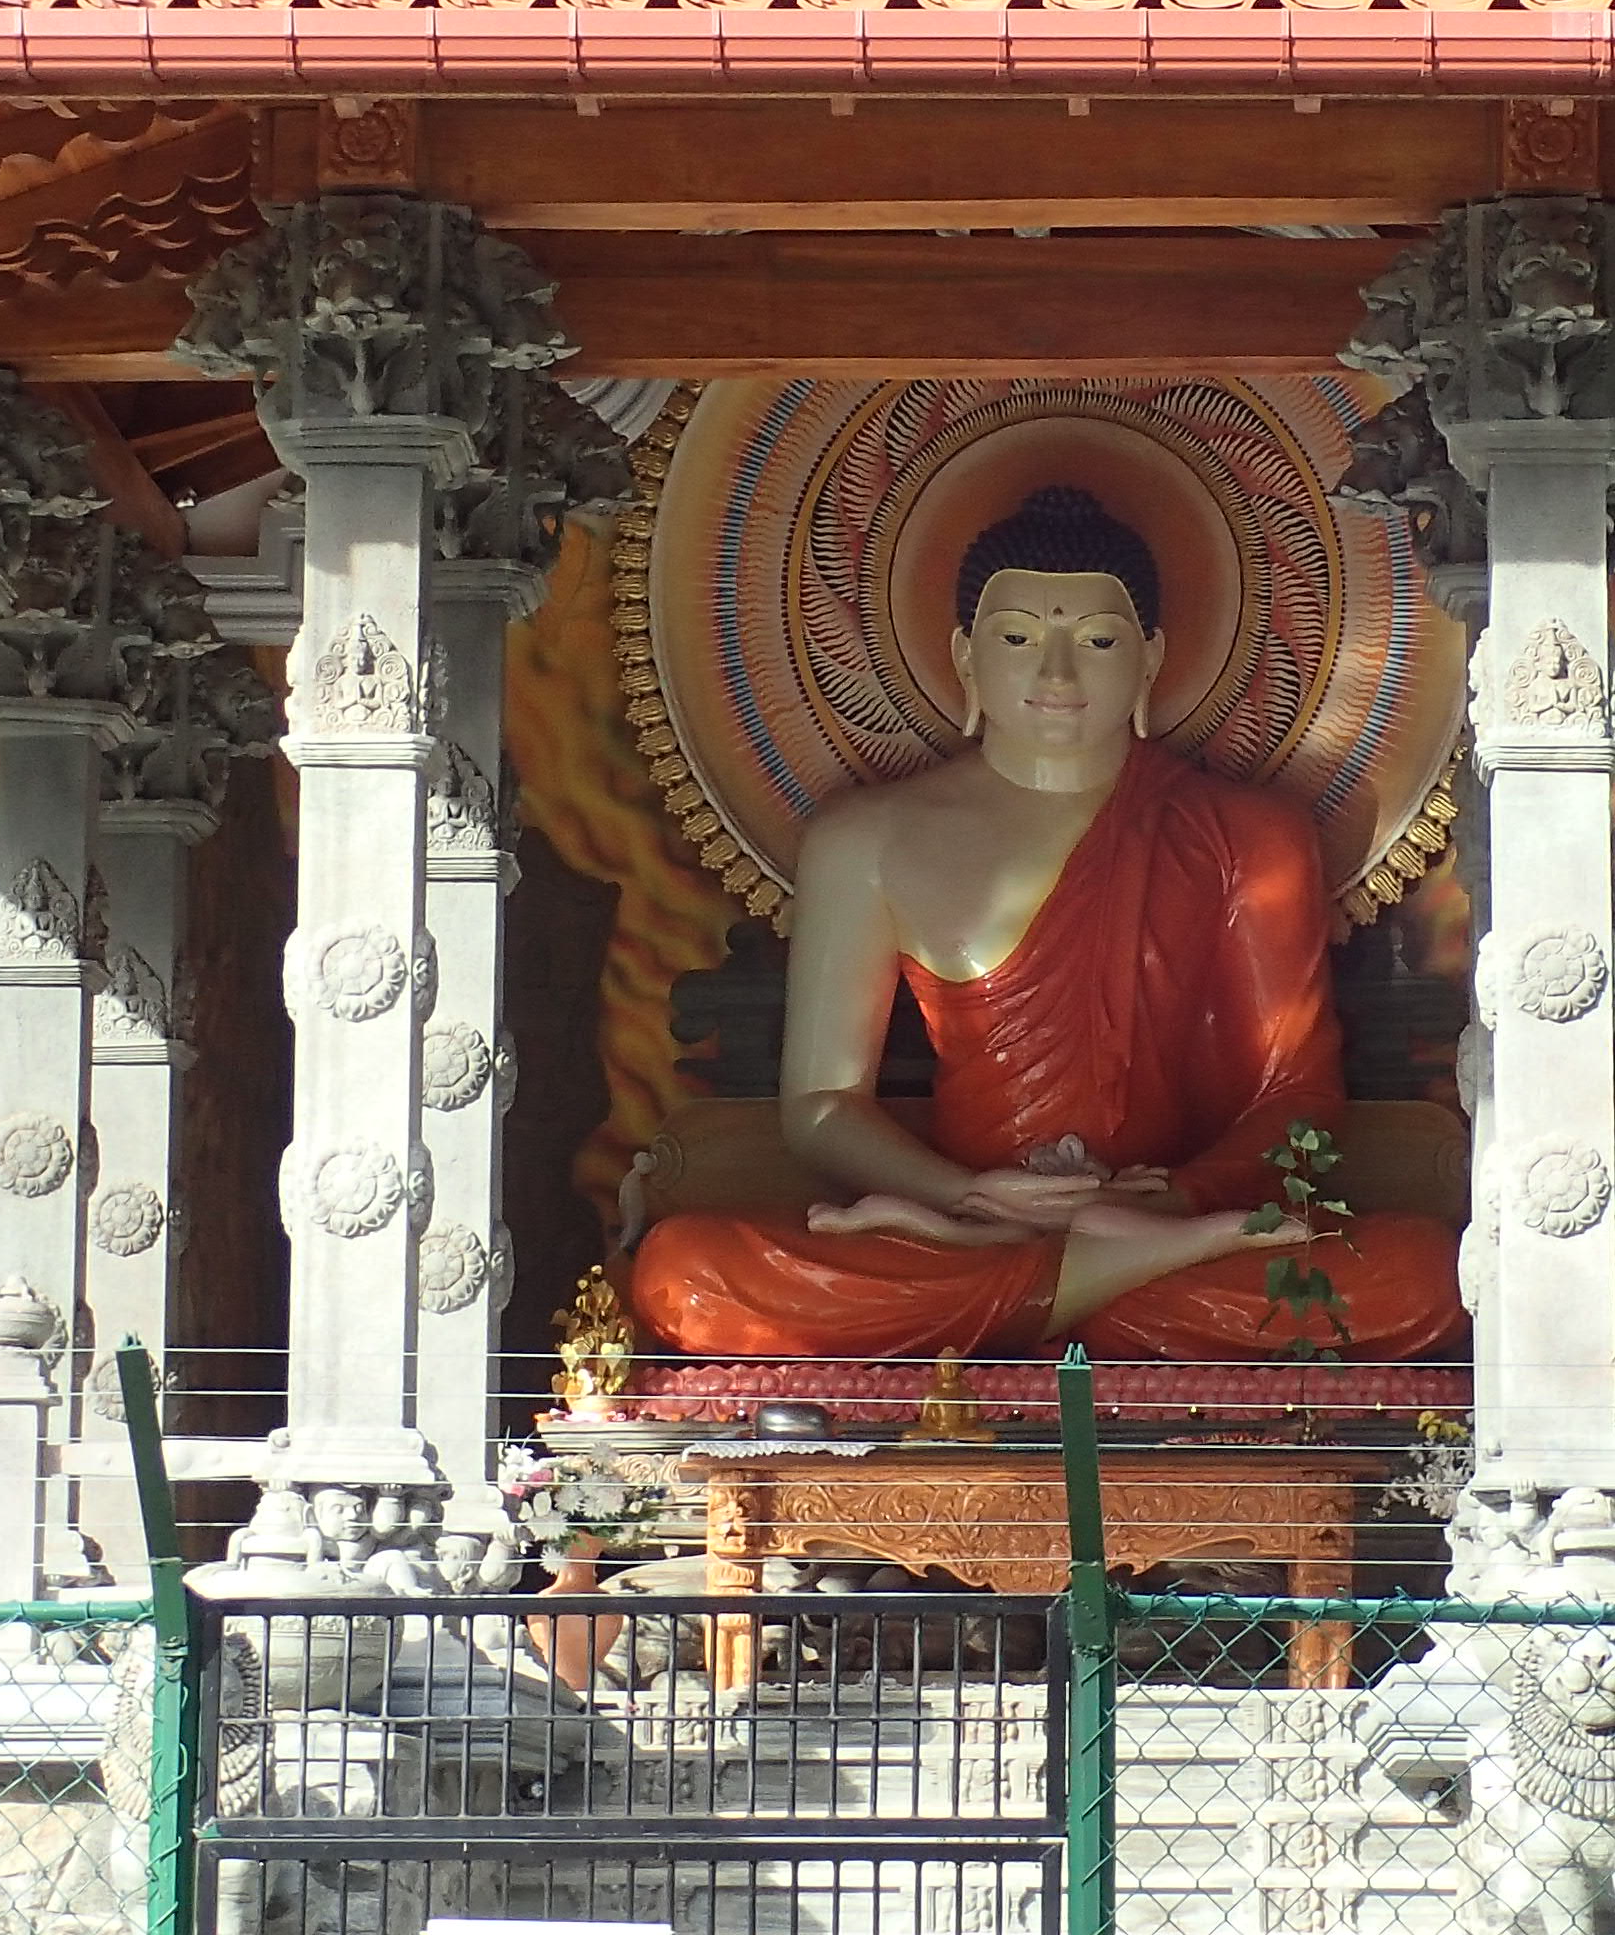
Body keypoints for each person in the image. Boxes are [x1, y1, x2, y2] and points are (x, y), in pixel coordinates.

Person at [621, 485, 1466, 1361]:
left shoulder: (1249, 837)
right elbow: (823, 1107)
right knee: (685, 1276)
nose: (1057, 676)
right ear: (964, 656)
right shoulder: (865, 841)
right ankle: (1092, 1272)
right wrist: (966, 1197)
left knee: (1425, 1277)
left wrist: (1172, 1202)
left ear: (1151, 658)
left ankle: (1073, 1274)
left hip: (1166, 1217)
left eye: (1098, 642)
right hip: (973, 1223)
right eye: (1018, 639)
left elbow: (1296, 1098)